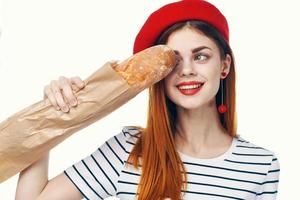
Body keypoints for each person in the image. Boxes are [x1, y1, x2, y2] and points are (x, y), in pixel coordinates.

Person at [15, 0, 280, 199]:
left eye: (200, 56)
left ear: (224, 66)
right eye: (174, 60)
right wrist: (50, 115)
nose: (186, 70)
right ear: (159, 75)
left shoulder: (261, 165)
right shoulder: (128, 150)